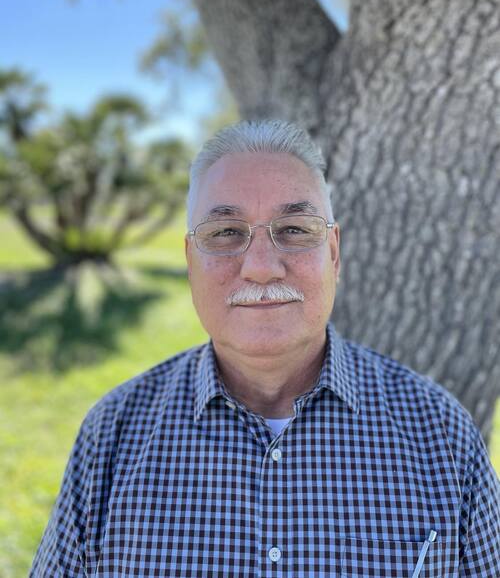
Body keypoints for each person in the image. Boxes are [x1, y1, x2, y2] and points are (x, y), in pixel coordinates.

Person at [32, 120, 499, 577]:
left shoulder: (442, 435)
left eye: (294, 229)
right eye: (225, 233)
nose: (260, 267)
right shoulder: (112, 436)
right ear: (190, 260)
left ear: (334, 253)